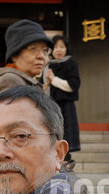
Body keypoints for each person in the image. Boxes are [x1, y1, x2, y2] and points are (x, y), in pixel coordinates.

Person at [0, 19, 53, 102]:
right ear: (14, 55)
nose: (41, 56)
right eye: (33, 49)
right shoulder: (10, 81)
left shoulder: (25, 81)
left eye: (45, 50)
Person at [45, 35, 81, 163]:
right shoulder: (47, 65)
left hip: (66, 106)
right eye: (55, 47)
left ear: (66, 48)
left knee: (65, 138)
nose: (58, 50)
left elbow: (73, 86)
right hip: (50, 106)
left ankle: (65, 163)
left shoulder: (71, 63)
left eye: (61, 46)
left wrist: (54, 79)